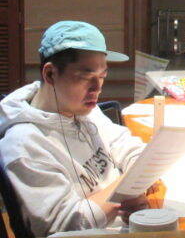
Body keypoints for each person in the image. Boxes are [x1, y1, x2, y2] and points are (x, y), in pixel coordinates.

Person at [0, 21, 148, 236]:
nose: (97, 88)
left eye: (102, 77)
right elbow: (65, 226)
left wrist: (136, 187)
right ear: (50, 74)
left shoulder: (83, 109)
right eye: (86, 77)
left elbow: (127, 146)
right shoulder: (24, 144)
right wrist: (127, 189)